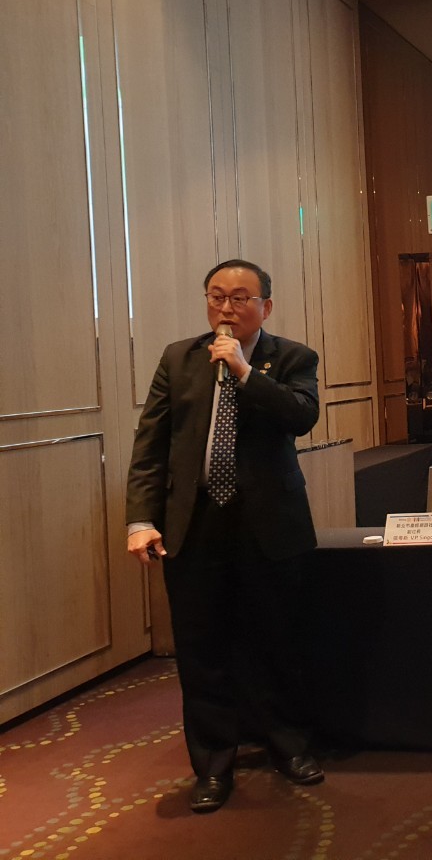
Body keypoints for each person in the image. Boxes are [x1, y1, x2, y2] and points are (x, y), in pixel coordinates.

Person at [126, 259, 324, 813]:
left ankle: (290, 747)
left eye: (240, 298)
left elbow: (300, 415)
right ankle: (213, 765)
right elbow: (151, 444)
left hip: (269, 526)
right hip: (195, 525)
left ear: (265, 306)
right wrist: (141, 519)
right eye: (217, 297)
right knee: (201, 650)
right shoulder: (178, 358)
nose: (227, 309)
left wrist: (243, 370)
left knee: (278, 642)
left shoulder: (293, 357)